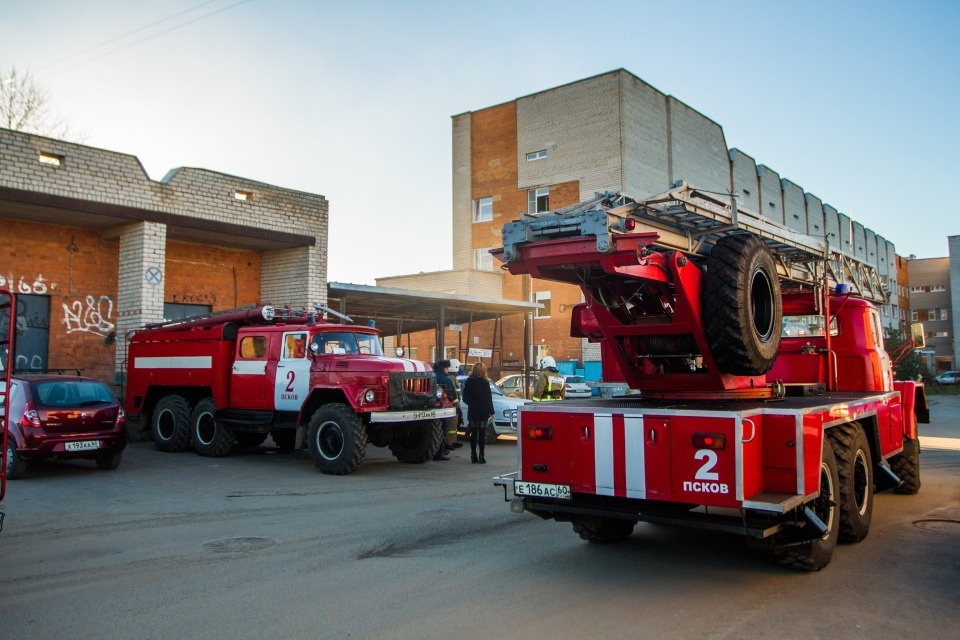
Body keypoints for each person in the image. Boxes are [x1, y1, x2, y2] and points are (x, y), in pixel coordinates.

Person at [461, 361, 494, 464]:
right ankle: (481, 456)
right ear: (483, 370)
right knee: (482, 434)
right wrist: (491, 412)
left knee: (474, 433)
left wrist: (471, 403)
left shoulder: (469, 381)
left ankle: (473, 455)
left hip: (473, 410)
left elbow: (465, 397)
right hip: (483, 410)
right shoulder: (485, 382)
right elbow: (488, 399)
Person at [432, 360, 457, 461]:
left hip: (430, 407)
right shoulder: (446, 379)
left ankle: (435, 451)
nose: (448, 370)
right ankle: (439, 453)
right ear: (444, 368)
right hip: (442, 408)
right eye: (447, 368)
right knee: (442, 430)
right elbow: (453, 394)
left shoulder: (432, 376)